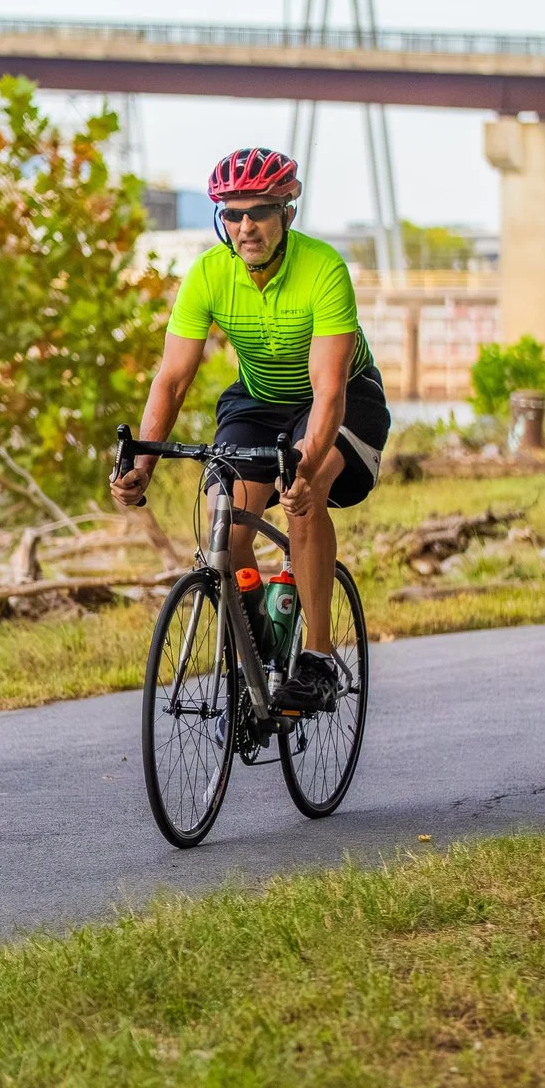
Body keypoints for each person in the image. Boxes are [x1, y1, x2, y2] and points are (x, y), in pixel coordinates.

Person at [110, 146, 389, 714]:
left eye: (258, 212)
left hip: (343, 398)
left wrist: (306, 469)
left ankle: (315, 658)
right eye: (232, 214)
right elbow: (172, 379)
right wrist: (141, 464)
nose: (245, 227)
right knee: (227, 527)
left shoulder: (322, 269)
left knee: (302, 498)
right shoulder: (209, 273)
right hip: (259, 400)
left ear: (287, 213)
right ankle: (260, 650)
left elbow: (328, 390)